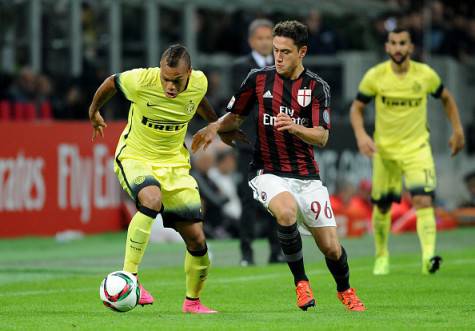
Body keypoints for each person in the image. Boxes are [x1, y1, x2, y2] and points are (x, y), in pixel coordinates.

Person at [192, 20, 365, 312]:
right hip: (267, 170)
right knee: (285, 212)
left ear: (303, 52)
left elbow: (322, 136)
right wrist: (213, 127)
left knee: (331, 248)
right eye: (275, 51)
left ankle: (345, 290)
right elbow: (235, 116)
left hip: (307, 176)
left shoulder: (317, 87)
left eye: (286, 51)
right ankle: (301, 284)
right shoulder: (258, 79)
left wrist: (295, 126)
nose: (279, 57)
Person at [88, 44, 245, 314]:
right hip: (136, 156)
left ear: (189, 73)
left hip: (174, 165)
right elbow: (111, 83)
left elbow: (198, 101)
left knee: (197, 240)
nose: (169, 86)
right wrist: (94, 111)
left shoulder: (199, 82)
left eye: (176, 80)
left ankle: (192, 302)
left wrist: (217, 128)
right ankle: (130, 277)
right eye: (165, 78)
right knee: (151, 198)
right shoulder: (141, 80)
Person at [349, 28, 465, 276]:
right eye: (394, 43)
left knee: (423, 200)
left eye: (403, 43)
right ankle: (381, 256)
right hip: (385, 151)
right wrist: (361, 135)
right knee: (381, 207)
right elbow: (356, 108)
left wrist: (457, 130)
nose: (398, 48)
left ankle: (428, 257)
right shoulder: (375, 76)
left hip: (417, 149)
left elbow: (446, 97)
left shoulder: (425, 75)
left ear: (411, 47)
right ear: (387, 47)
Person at [231, 18, 284, 266]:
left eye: (268, 38)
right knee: (248, 200)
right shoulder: (240, 67)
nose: (264, 43)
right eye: (260, 38)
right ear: (252, 40)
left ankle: (277, 250)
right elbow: (240, 103)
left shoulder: (284, 66)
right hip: (249, 144)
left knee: (278, 199)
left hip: (277, 143)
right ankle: (246, 253)